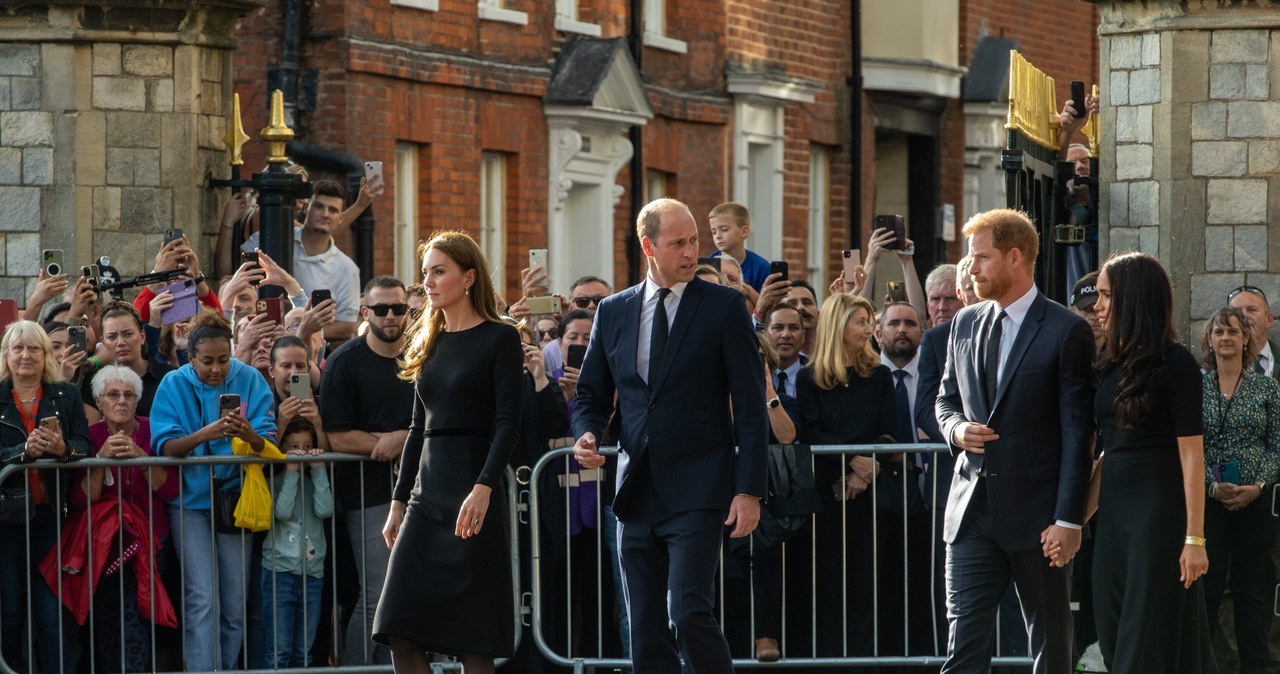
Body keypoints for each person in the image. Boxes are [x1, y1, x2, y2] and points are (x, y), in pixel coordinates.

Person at [572, 197, 768, 674]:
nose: (690, 252)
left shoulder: (722, 306)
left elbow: (749, 406)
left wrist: (748, 491)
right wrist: (587, 436)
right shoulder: (614, 311)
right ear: (648, 246)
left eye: (694, 240)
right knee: (644, 625)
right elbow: (591, 395)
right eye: (677, 243)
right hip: (635, 487)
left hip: (700, 487)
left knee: (686, 612)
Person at [935, 208, 1095, 674]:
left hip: (1039, 518)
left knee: (1051, 647)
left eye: (981, 258)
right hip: (970, 513)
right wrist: (956, 430)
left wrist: (1069, 519)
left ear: (1015, 257)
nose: (971, 269)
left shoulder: (1067, 330)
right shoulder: (964, 324)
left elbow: (1077, 432)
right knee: (962, 647)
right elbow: (944, 401)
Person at [373, 231, 523, 674]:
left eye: (439, 272)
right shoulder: (428, 340)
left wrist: (484, 486)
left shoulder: (501, 338)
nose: (429, 282)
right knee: (399, 627)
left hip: (471, 495)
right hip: (426, 498)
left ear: (469, 277)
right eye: (425, 273)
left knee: (471, 638)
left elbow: (507, 423)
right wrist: (398, 502)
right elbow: (419, 428)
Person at [1082, 251, 1215, 673]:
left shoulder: (1177, 364)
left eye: (1105, 295)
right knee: (1112, 634)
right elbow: (1108, 451)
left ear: (1133, 298)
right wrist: (1075, 519)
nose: (1096, 306)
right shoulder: (1109, 365)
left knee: (1144, 646)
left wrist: (1195, 539)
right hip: (1114, 520)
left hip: (1158, 519)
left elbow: (1192, 456)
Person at [150, 310, 276, 672]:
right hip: (188, 506)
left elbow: (267, 441)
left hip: (235, 502)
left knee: (235, 603)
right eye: (207, 362)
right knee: (201, 597)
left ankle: (227, 666)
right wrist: (210, 431)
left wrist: (247, 433)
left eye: (223, 360)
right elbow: (166, 446)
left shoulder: (250, 378)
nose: (217, 369)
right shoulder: (173, 384)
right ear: (191, 358)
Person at [319, 276, 414, 666]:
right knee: (377, 592)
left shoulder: (423, 354)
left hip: (422, 492)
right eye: (380, 309)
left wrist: (401, 438)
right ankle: (359, 667)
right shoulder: (345, 361)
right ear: (364, 313)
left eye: (398, 308)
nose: (390, 316)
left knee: (420, 592)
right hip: (366, 494)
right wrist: (386, 444)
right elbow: (338, 438)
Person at [797, 292, 896, 660]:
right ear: (838, 326)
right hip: (826, 498)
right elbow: (811, 431)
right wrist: (850, 461)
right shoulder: (811, 379)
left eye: (870, 321)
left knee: (866, 587)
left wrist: (864, 470)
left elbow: (888, 431)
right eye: (860, 321)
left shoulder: (880, 375)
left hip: (870, 497)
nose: (869, 328)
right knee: (828, 588)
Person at [65, 365, 179, 673]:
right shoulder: (90, 437)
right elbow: (80, 498)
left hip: (151, 542)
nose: (121, 402)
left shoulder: (152, 430)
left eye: (129, 395)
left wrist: (140, 457)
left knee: (140, 621)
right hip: (106, 545)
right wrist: (100, 460)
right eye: (112, 395)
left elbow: (170, 489)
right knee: (106, 624)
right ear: (99, 401)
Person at [0, 320, 90, 674]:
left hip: (51, 518)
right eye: (18, 348)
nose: (26, 355)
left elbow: (84, 445)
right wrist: (23, 452)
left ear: (46, 355)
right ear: (6, 355)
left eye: (34, 348)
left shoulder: (66, 394)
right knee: (10, 612)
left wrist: (62, 448)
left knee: (50, 613)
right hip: (7, 521)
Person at [1198, 306, 1278, 674]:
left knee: (1252, 593)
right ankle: (1199, 665)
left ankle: (1256, 668)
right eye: (1219, 332)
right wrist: (1212, 487)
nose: (1226, 338)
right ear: (1209, 340)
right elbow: (1185, 445)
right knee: (1207, 590)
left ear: (1246, 338)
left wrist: (1257, 486)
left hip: (1255, 502)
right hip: (1208, 503)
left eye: (1233, 331)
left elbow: (1276, 444)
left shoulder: (1267, 388)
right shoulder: (1196, 386)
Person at [261, 417, 333, 669]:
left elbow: (325, 510)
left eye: (307, 445)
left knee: (304, 651)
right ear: (281, 449)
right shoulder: (274, 481)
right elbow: (281, 512)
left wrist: (319, 467)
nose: (301, 451)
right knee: (279, 650)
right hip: (279, 572)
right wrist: (290, 471)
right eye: (293, 446)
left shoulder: (315, 481)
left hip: (312, 575)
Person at [708, 201, 770, 291]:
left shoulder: (760, 266)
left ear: (744, 231)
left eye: (724, 229)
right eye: (714, 232)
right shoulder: (709, 264)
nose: (718, 236)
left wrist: (747, 290)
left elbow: (766, 302)